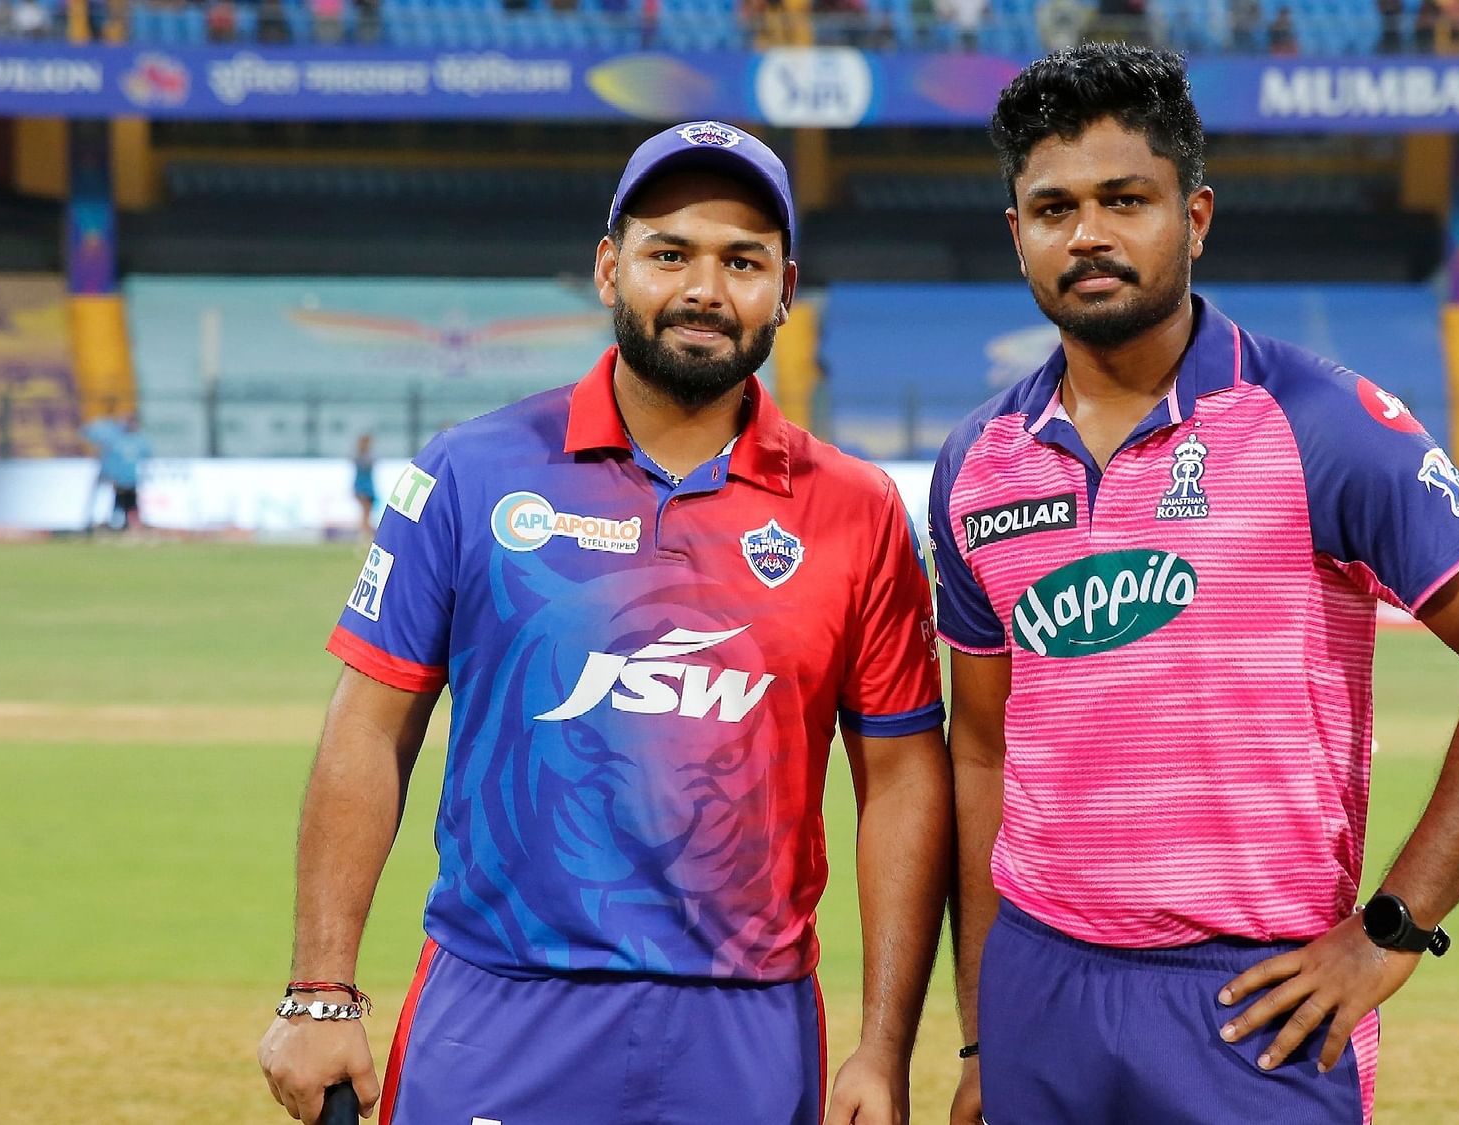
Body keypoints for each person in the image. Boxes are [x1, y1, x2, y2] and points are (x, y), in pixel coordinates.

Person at [932, 45, 1459, 1125]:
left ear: (1192, 217)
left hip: (1252, 997)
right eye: (1052, 208)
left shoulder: (1319, 423)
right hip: (1037, 983)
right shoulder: (978, 460)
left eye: (1123, 200)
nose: (1088, 234)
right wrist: (975, 1031)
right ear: (1018, 236)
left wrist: (1391, 929)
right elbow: (980, 749)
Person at [257, 120, 951, 1125]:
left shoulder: (855, 509)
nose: (705, 291)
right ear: (607, 268)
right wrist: (320, 988)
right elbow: (369, 725)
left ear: (784, 289)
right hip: (499, 1009)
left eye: (741, 262)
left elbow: (900, 777)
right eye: (668, 253)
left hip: (745, 1027)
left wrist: (881, 1049)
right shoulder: (471, 471)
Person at [84, 411, 150, 533]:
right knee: (112, 504)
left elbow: (146, 458)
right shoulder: (115, 438)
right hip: (113, 479)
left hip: (131, 480)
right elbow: (88, 433)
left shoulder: (140, 440)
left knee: (130, 504)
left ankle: (128, 527)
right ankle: (99, 526)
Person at [350, 432, 377, 533]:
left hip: (368, 486)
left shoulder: (368, 455)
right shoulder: (360, 456)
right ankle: (366, 533)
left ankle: (365, 532)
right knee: (365, 511)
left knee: (367, 512)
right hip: (362, 486)